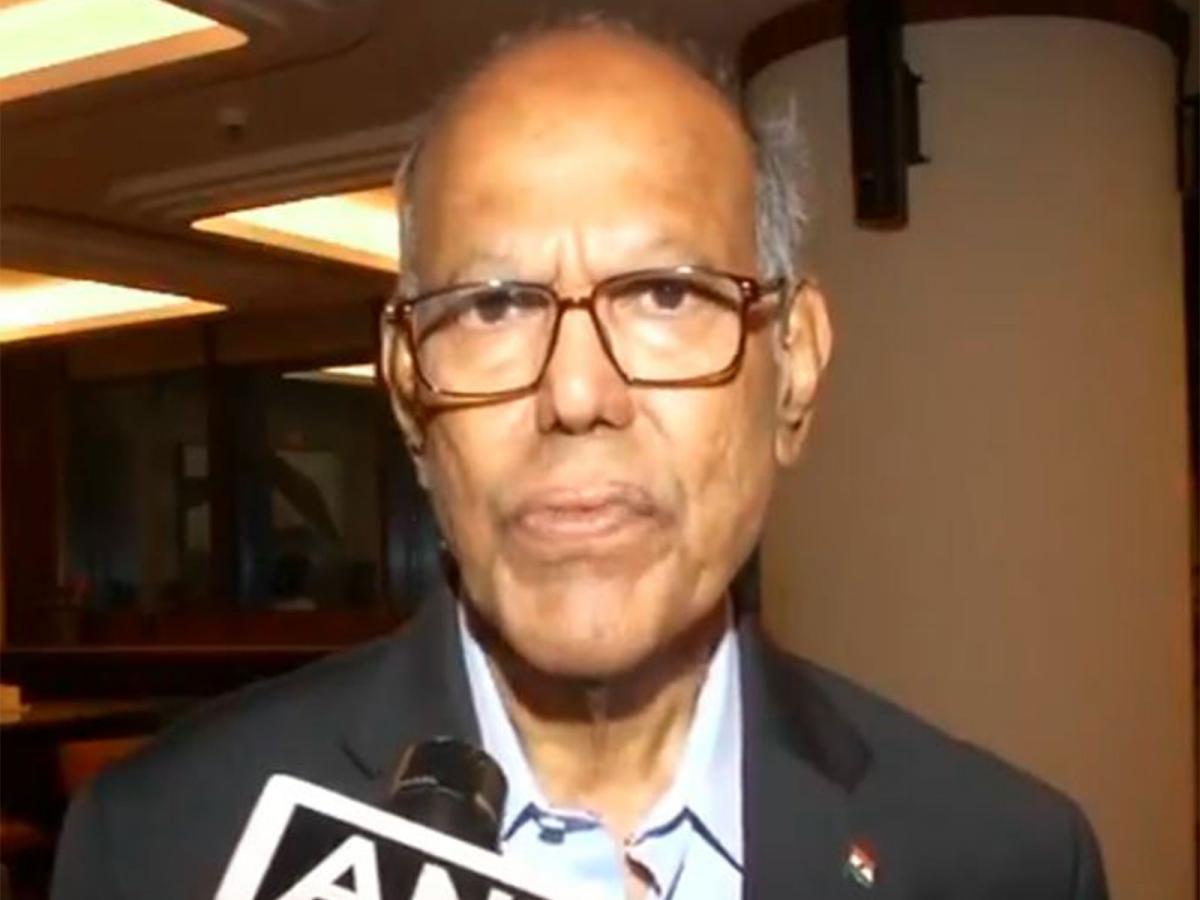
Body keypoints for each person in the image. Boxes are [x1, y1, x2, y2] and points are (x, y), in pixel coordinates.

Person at [51, 19, 1108, 900]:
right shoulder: (159, 850)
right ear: (410, 390)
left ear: (792, 369)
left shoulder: (1004, 861)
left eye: (667, 294)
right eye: (493, 306)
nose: (575, 395)